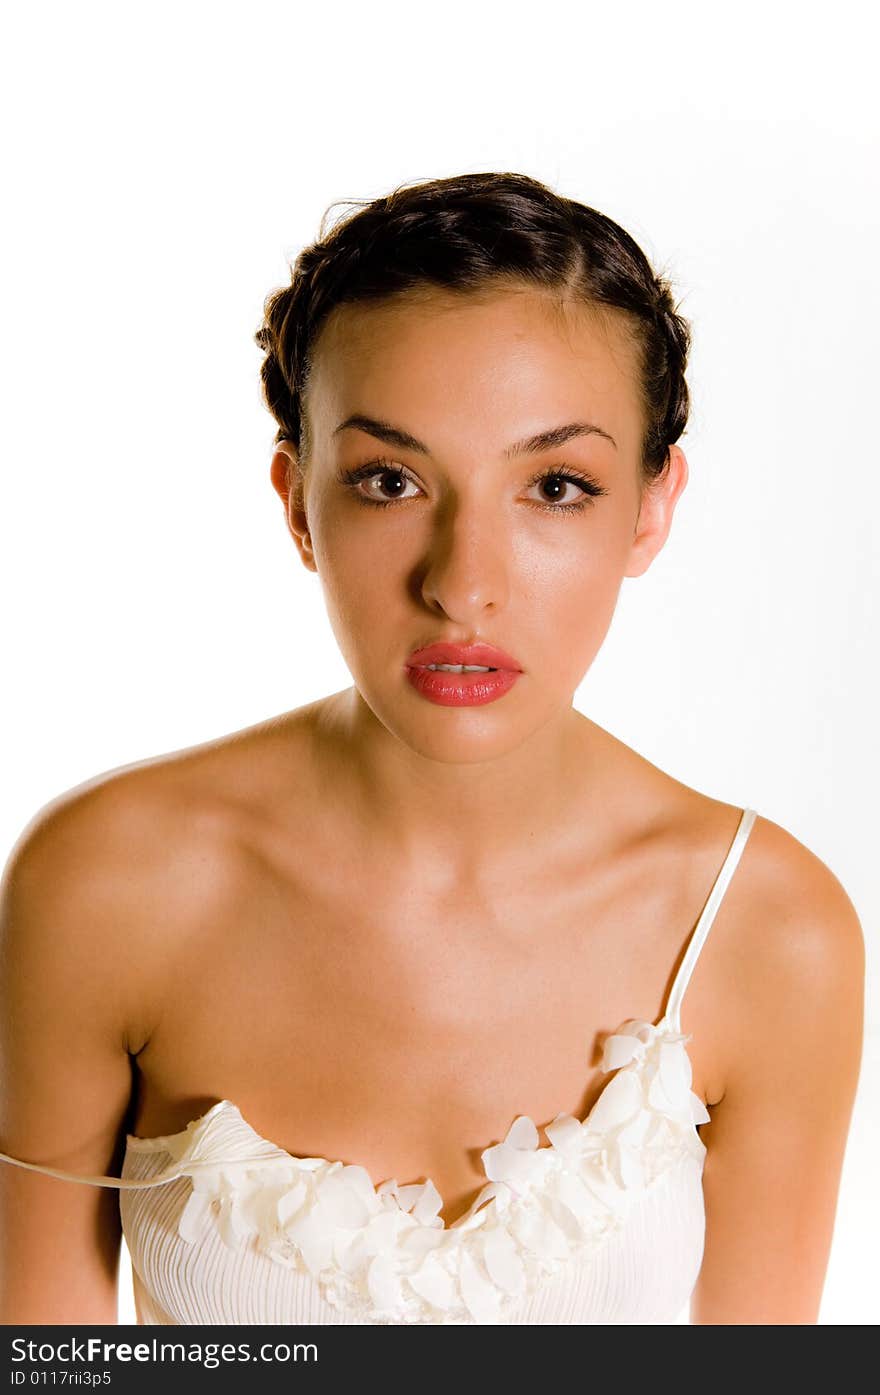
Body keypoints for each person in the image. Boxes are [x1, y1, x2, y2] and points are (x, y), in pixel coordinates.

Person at [0, 171, 864, 1326]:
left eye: (555, 486)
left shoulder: (768, 930)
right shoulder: (108, 885)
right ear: (299, 503)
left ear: (651, 509)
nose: (462, 583)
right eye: (389, 481)